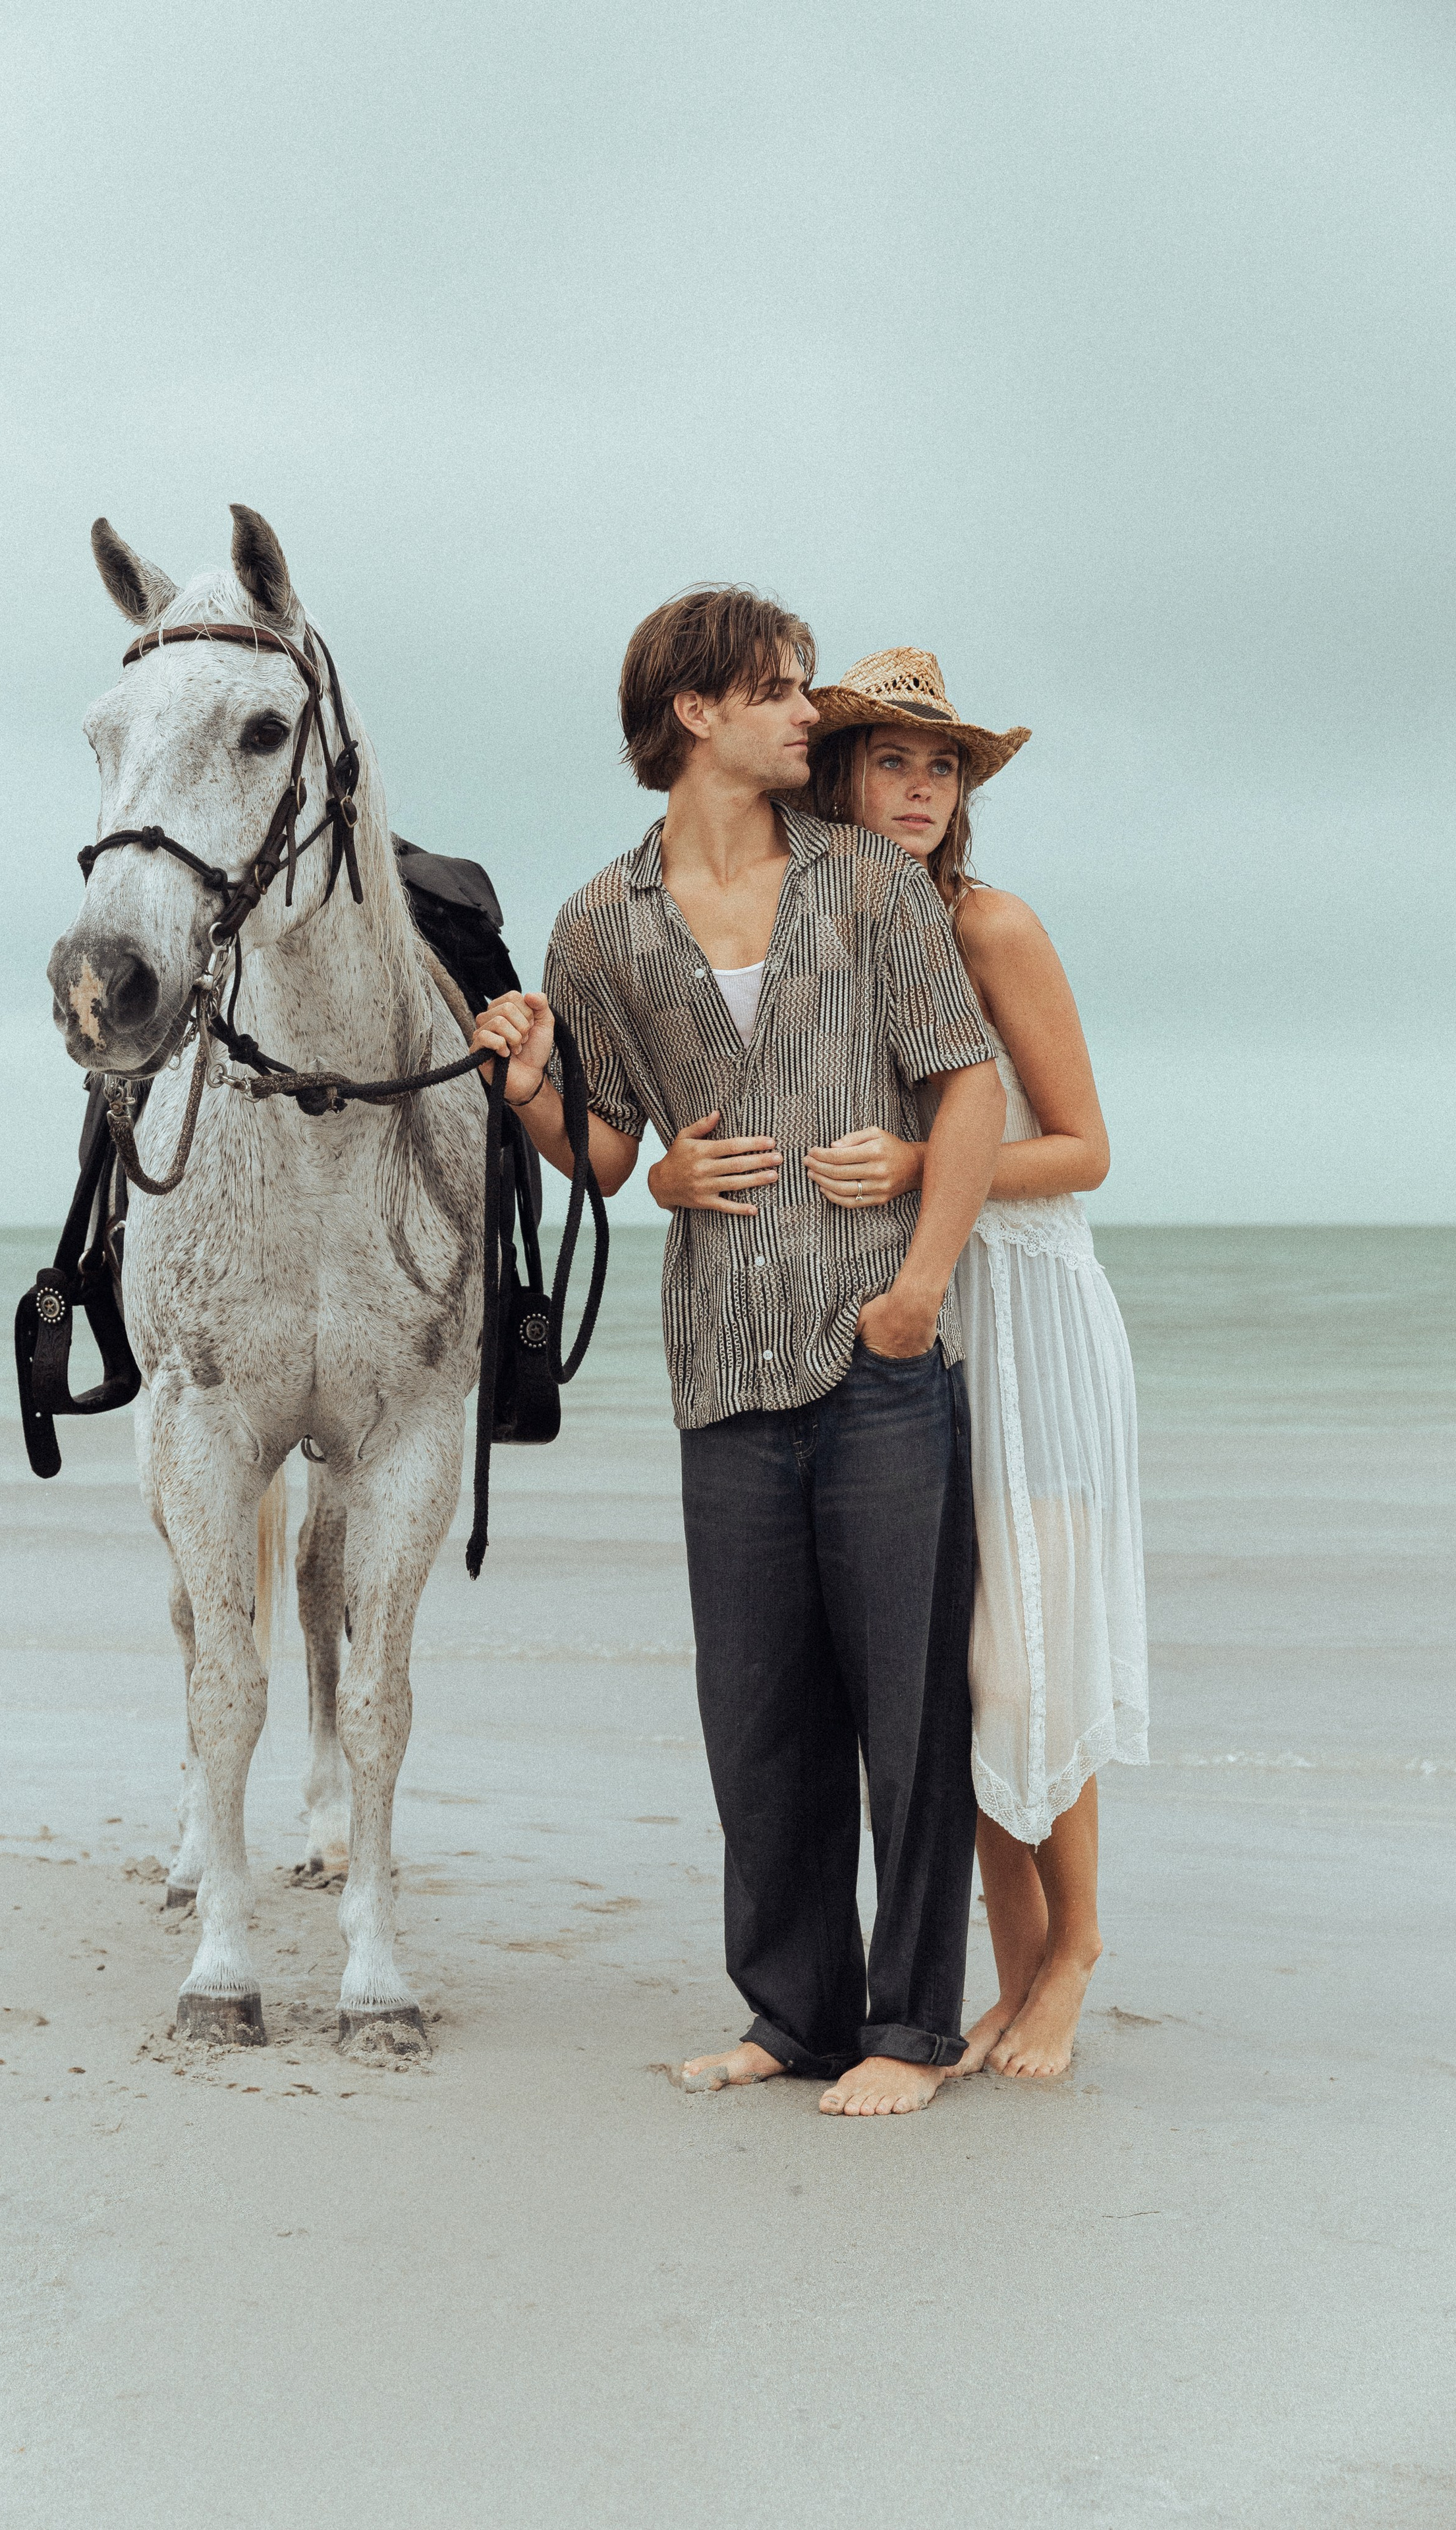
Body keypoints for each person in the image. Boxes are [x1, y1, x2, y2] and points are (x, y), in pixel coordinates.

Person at [471, 588, 1005, 2116]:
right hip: (718, 1366)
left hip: (878, 1354)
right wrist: (536, 1094)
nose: (805, 715)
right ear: (694, 712)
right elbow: (605, 1152)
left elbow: (965, 1087)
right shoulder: (598, 924)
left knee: (907, 1712)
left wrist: (916, 1292)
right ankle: (791, 2017)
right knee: (758, 1720)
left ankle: (908, 2033)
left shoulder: (867, 882)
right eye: (778, 691)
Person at [802, 648, 1150, 2079]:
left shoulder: (988, 924)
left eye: (939, 767)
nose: (920, 790)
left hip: (1029, 1313)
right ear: (836, 778)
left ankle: (1074, 1951)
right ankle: (1010, 1973)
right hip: (923, 1318)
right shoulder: (828, 934)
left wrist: (924, 1167)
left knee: (1027, 1658)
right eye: (891, 761)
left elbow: (1084, 1148)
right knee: (953, 1671)